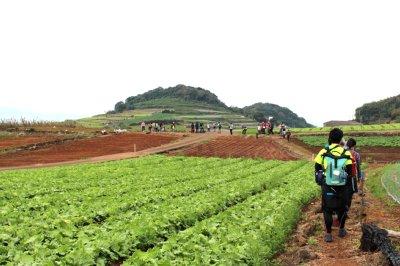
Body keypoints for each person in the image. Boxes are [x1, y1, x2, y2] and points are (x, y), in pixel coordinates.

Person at [314, 128, 353, 243]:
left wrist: (321, 179)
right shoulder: (346, 153)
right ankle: (341, 230)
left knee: (327, 209)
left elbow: (317, 168)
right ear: (341, 139)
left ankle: (328, 234)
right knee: (342, 207)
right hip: (342, 185)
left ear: (330, 138)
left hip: (328, 185)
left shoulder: (323, 151)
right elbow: (350, 172)